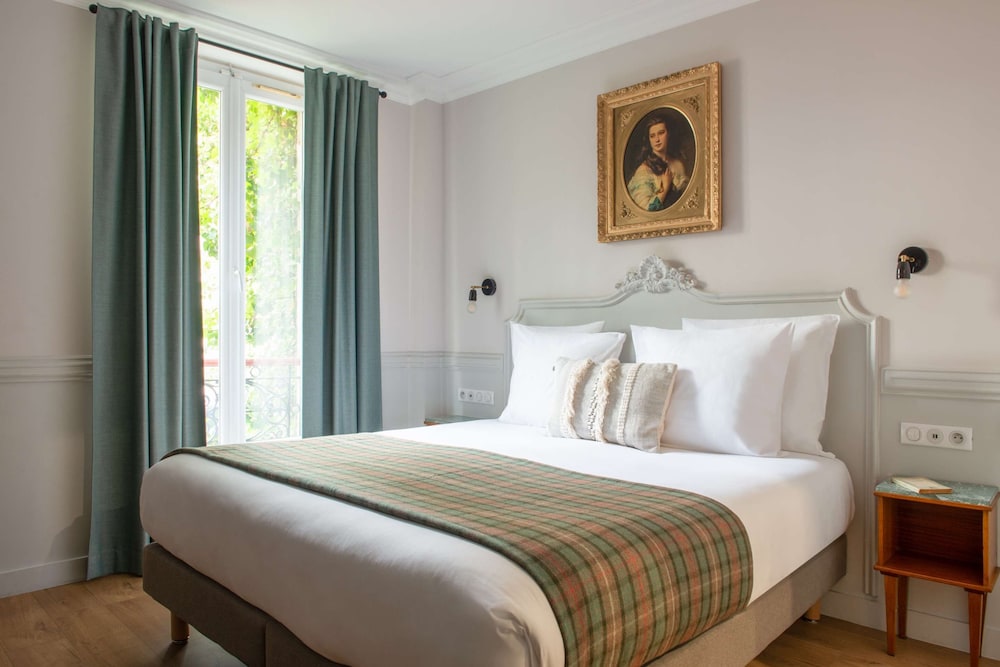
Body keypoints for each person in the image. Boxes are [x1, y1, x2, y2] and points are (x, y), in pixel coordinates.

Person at [626, 114, 688, 211]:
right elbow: (647, 208)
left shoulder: (678, 165)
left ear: (668, 134)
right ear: (649, 139)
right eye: (652, 136)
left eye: (661, 133)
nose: (657, 139)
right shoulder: (644, 170)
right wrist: (665, 188)